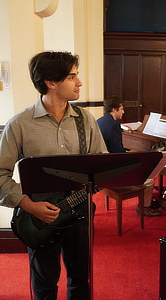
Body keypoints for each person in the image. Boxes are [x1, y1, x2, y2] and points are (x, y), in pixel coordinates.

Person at [0, 51, 108, 300]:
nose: (79, 82)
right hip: (39, 219)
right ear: (51, 82)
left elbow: (101, 166)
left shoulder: (85, 120)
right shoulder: (20, 124)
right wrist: (29, 205)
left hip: (80, 214)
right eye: (72, 77)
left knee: (81, 280)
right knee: (45, 285)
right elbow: (0, 174)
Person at [97, 96, 162, 217]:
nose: (123, 111)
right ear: (114, 109)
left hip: (102, 169)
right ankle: (144, 207)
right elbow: (119, 156)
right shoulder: (113, 125)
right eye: (121, 109)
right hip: (112, 173)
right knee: (150, 178)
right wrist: (133, 153)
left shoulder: (100, 121)